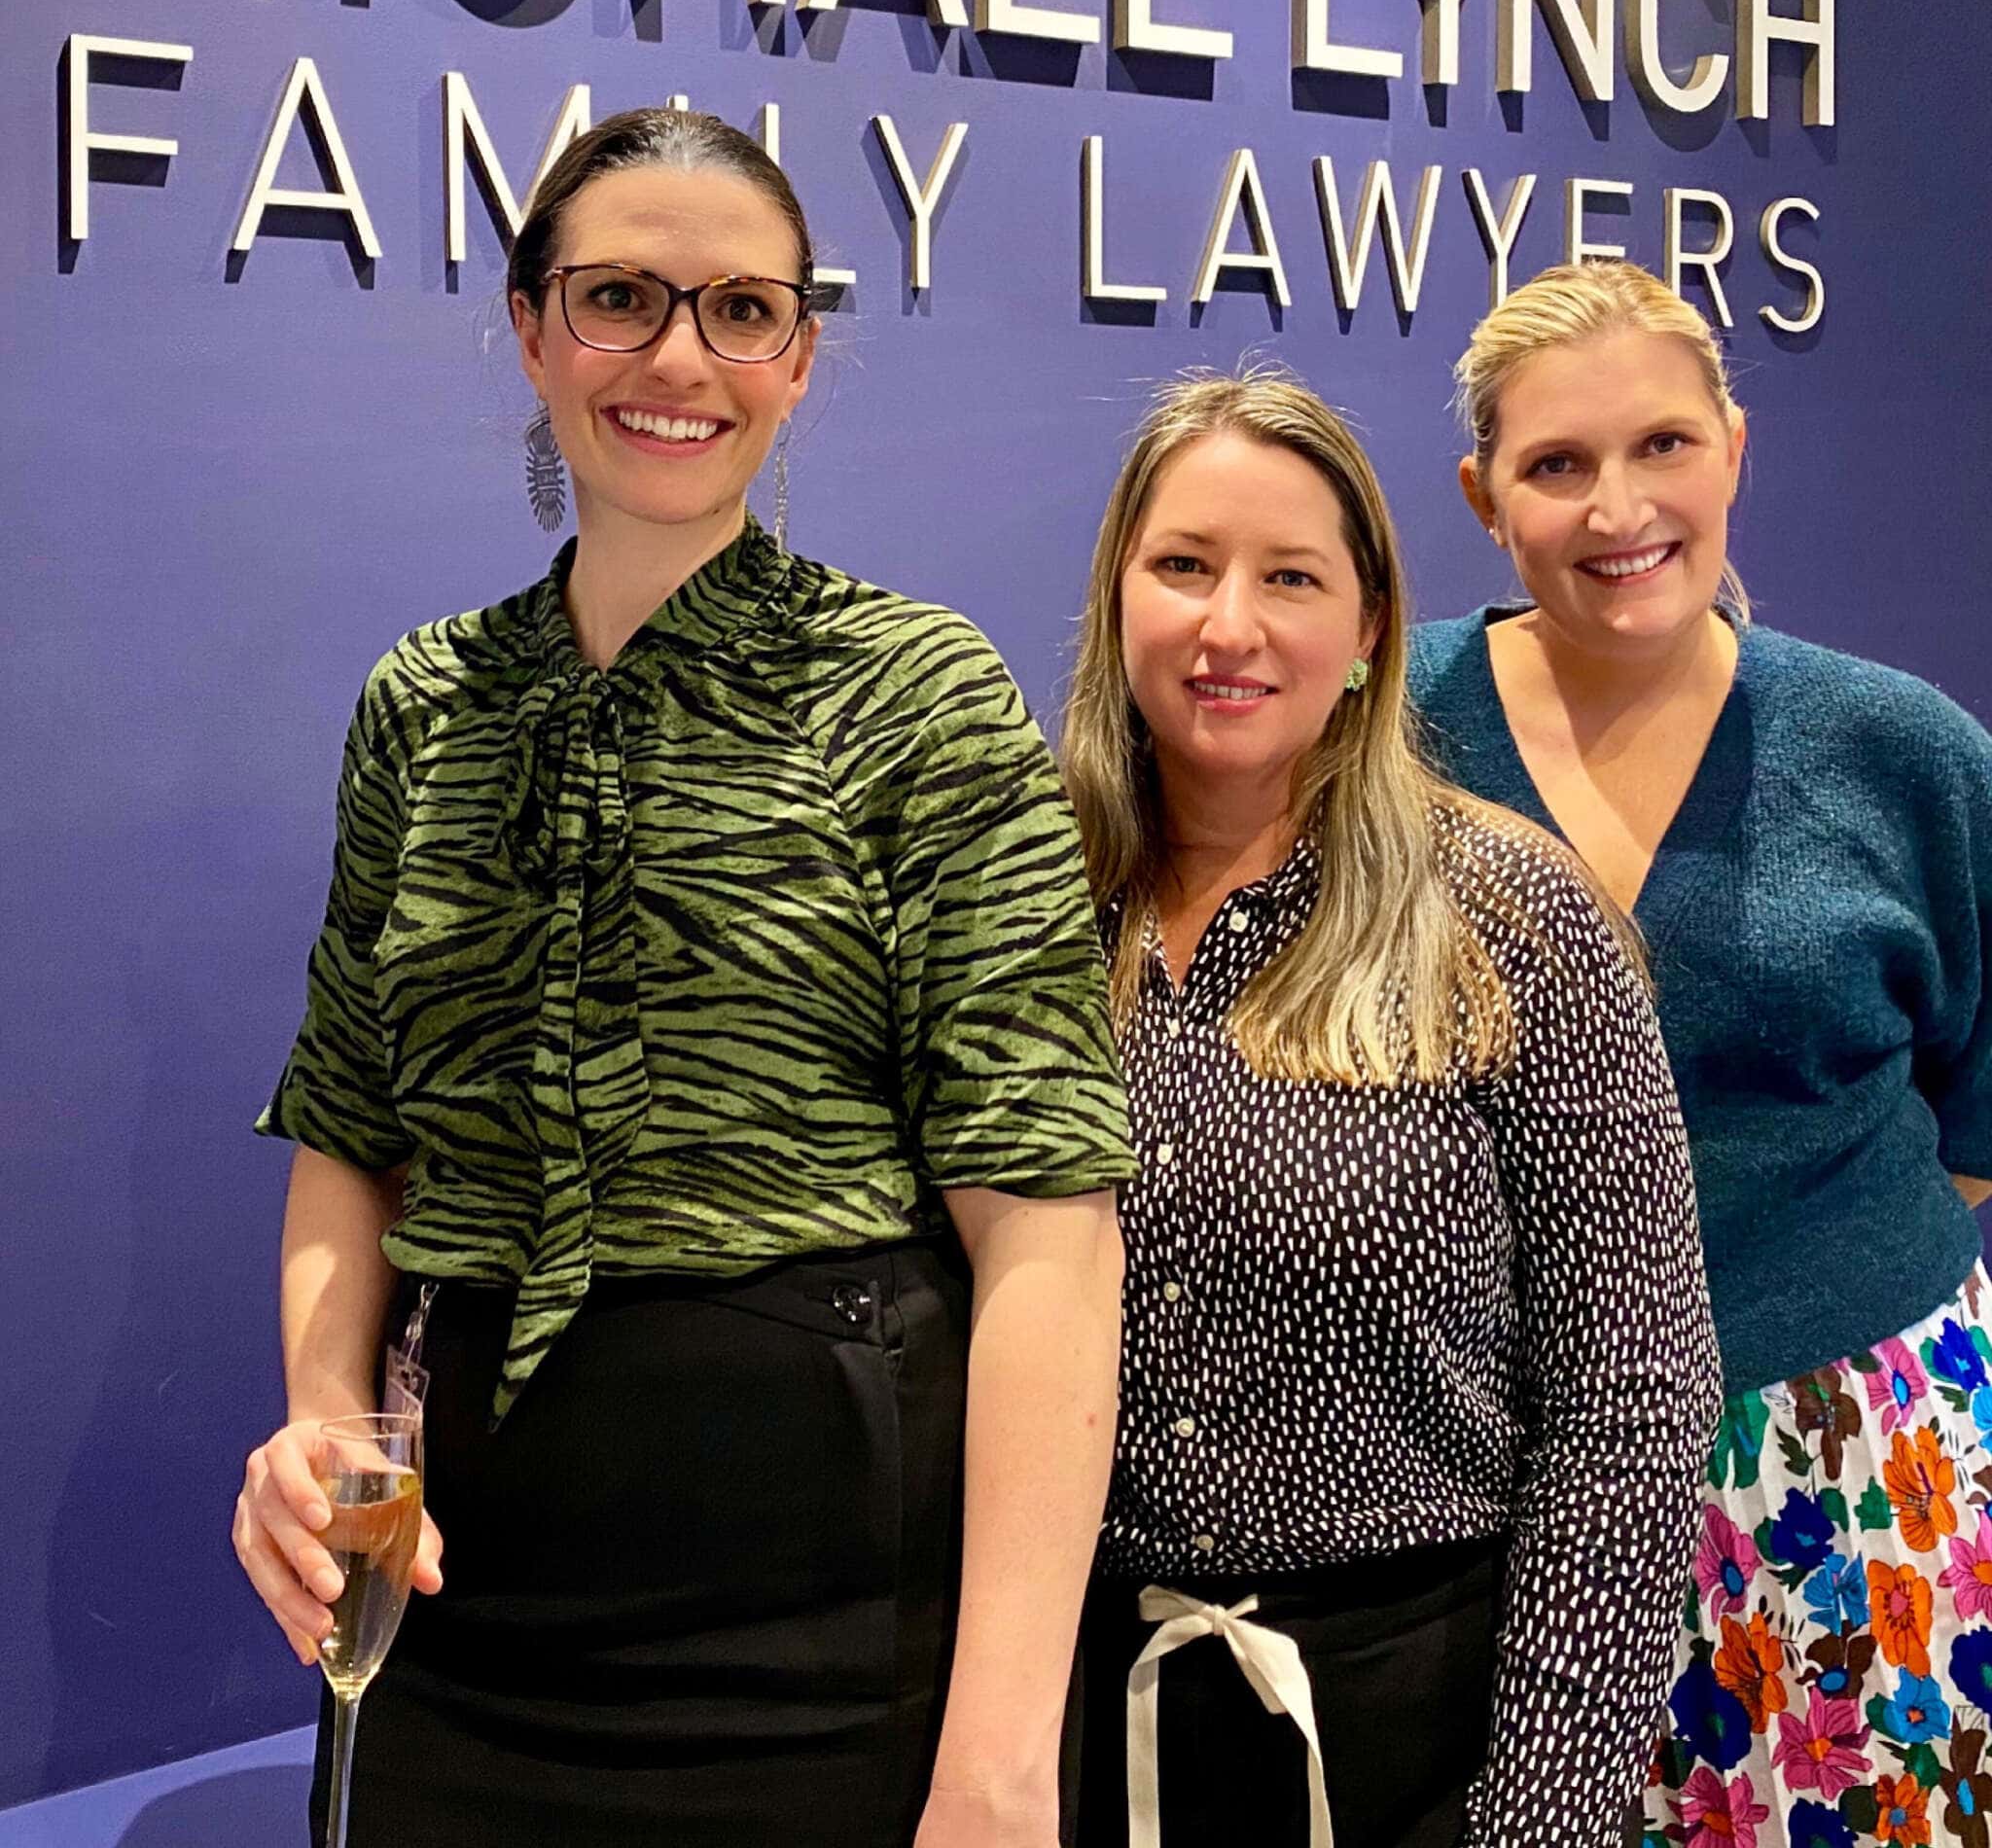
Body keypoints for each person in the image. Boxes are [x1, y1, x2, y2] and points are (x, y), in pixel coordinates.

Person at [230, 107, 1135, 1848]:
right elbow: (350, 1129)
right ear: (528, 326)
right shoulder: (424, 705)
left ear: (800, 360)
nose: (678, 358)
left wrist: (1004, 1756)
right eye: (620, 297)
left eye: (742, 311)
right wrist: (325, 1426)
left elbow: (1047, 1228)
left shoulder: (916, 692)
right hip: (463, 1603)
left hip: (833, 1606)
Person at [1061, 369, 1718, 1848]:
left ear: (1368, 633)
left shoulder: (1512, 918)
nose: (1231, 625)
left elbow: (1632, 1408)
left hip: (1416, 1734)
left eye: (1291, 577)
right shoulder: (1020, 904)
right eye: (1183, 567)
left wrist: (1542, 1814)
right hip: (1065, 1721)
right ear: (1118, 600)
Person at [1413, 259, 1992, 1846]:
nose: (1620, 510)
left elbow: (1978, 1099)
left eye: (1664, 446)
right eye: (1558, 465)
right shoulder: (1381, 741)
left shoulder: (1904, 750)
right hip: (1488, 1478)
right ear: (1483, 495)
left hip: (1853, 1472)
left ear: (1735, 446)